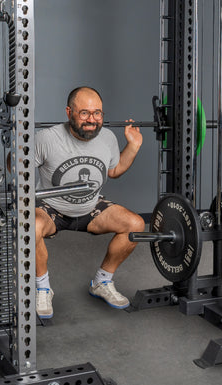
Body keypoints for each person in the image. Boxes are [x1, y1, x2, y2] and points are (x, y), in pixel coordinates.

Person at [34, 86, 146, 319]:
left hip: (91, 207)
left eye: (97, 113)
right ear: (69, 112)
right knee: (29, 227)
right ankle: (42, 287)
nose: (92, 120)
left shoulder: (106, 137)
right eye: (84, 113)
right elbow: (14, 168)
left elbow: (114, 171)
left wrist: (133, 146)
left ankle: (102, 282)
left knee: (135, 225)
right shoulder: (46, 138)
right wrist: (16, 151)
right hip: (51, 209)